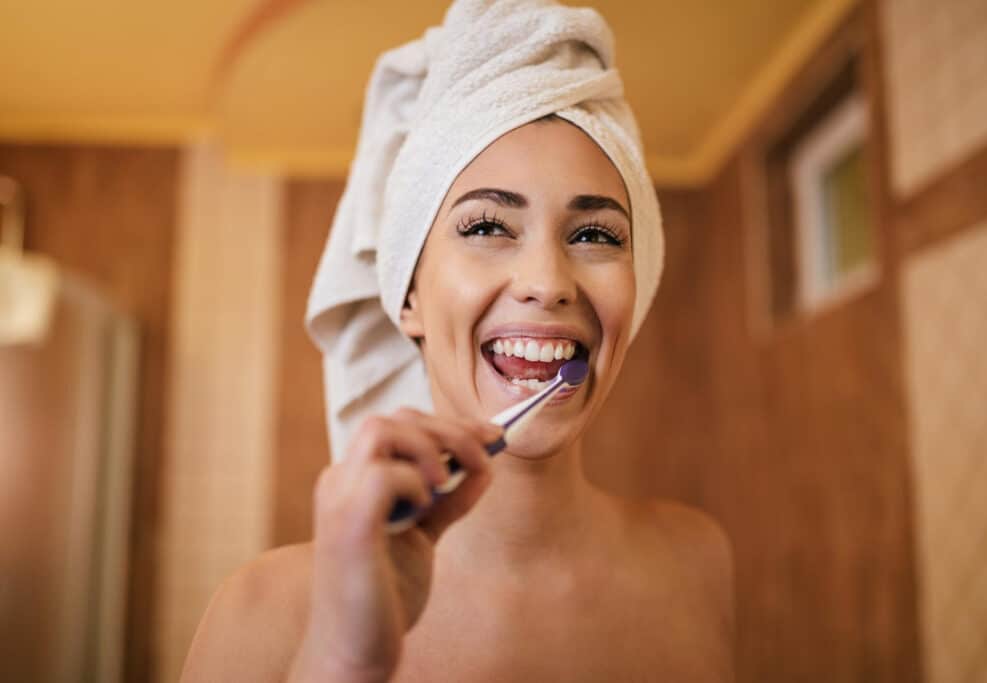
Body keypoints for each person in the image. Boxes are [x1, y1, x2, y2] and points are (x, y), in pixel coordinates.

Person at [182, 2, 733, 681]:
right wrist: (343, 659)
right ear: (407, 295)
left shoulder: (700, 562)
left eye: (595, 235)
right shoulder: (262, 612)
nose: (546, 281)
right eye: (486, 227)